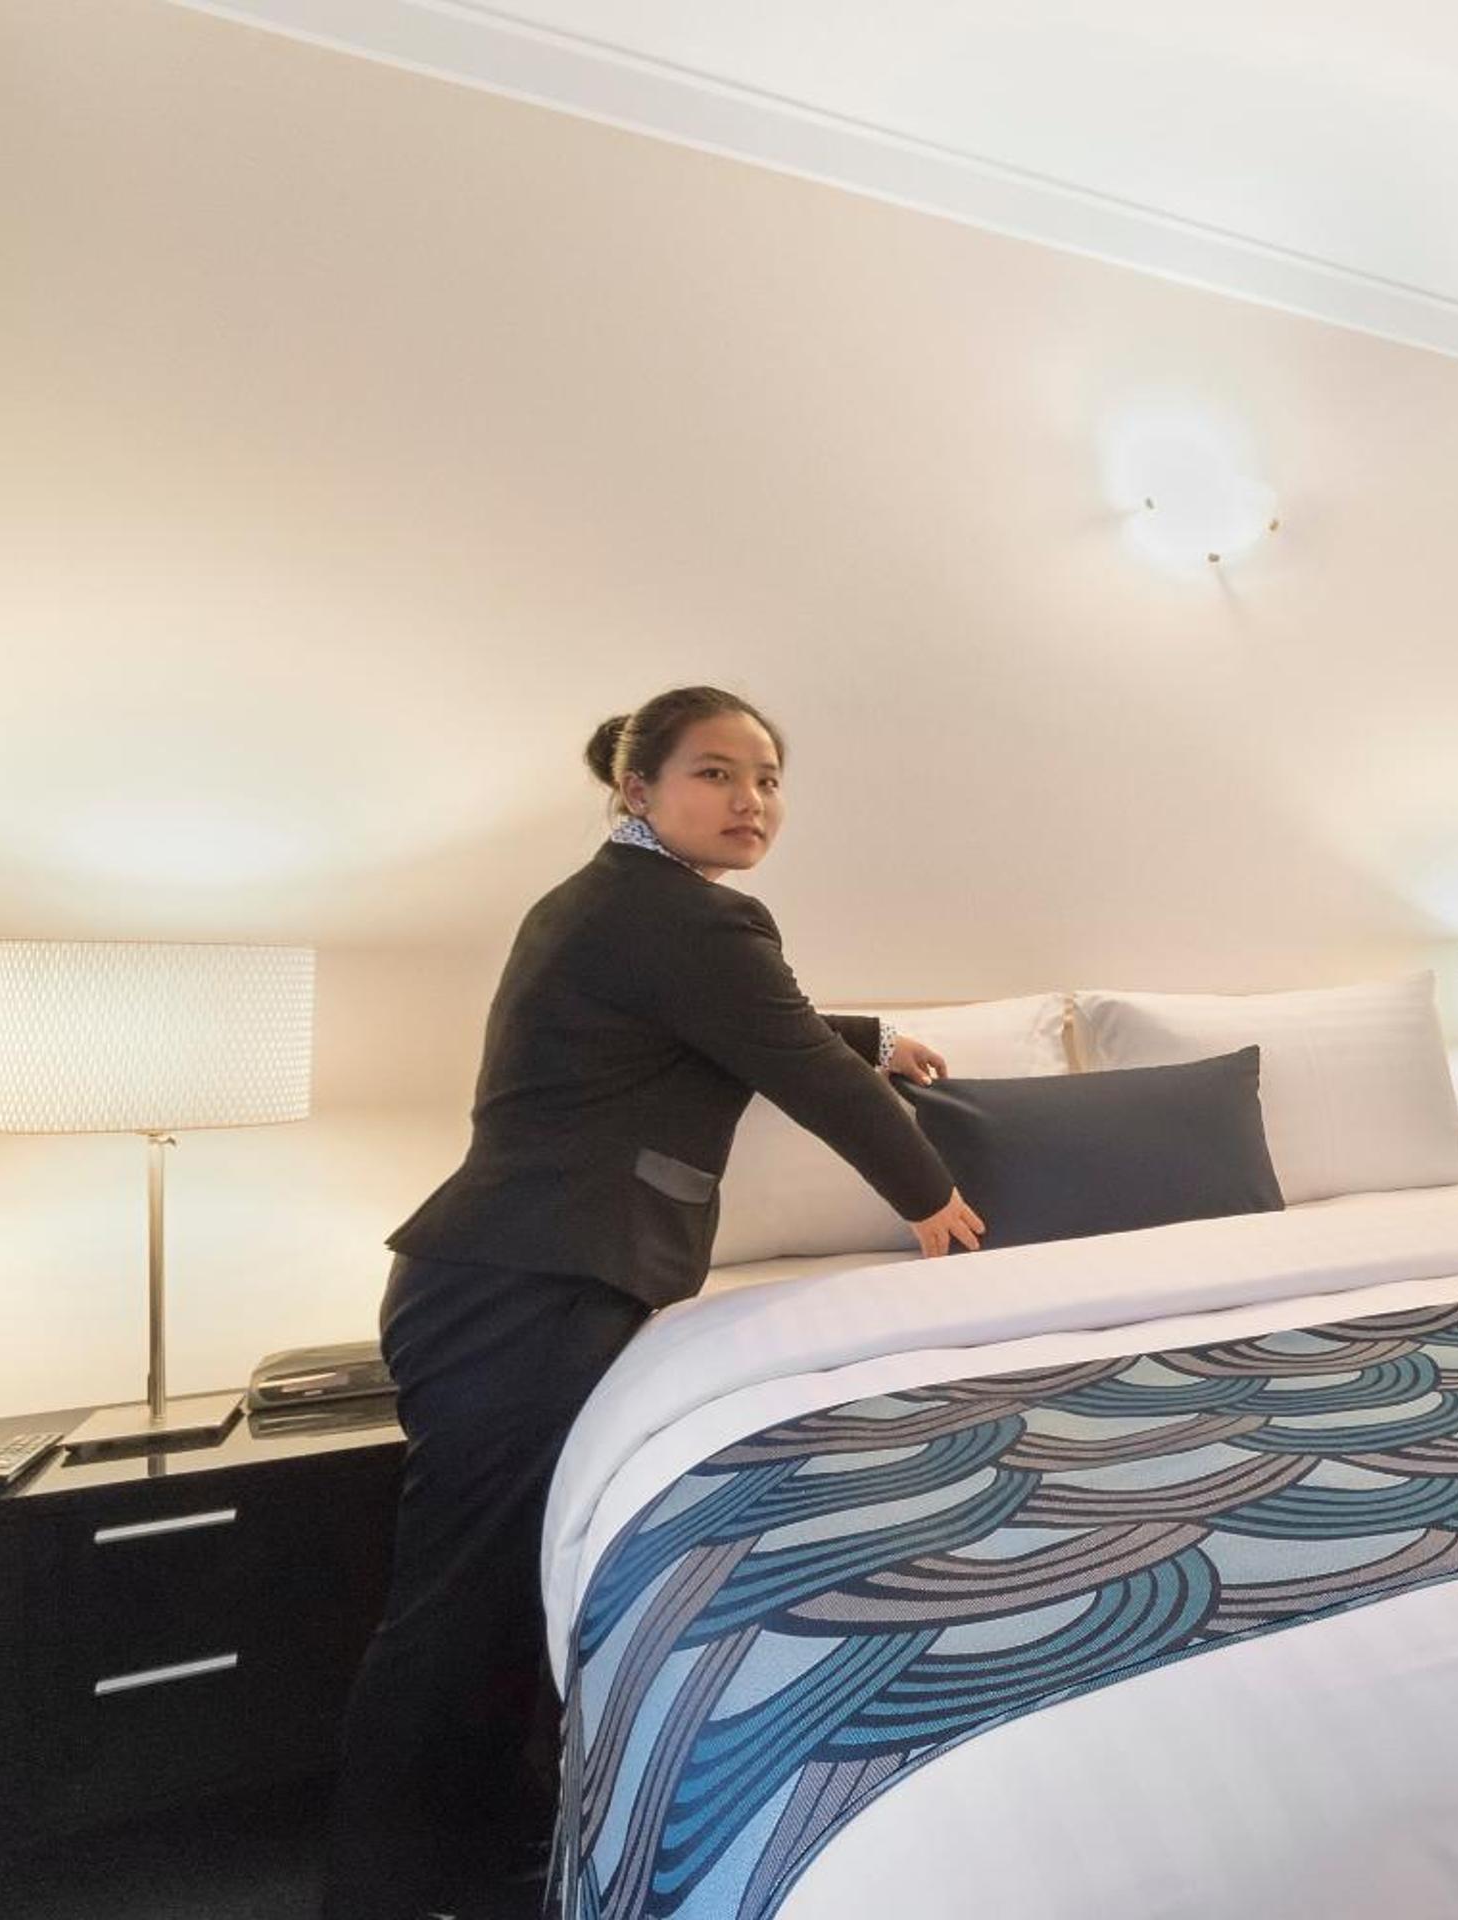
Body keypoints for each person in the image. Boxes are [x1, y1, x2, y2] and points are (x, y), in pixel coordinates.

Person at [324, 687, 987, 1920]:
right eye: (716, 774)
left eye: (768, 780)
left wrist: (878, 1033)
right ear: (639, 788)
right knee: (458, 1605)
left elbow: (744, 1020)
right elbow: (794, 1061)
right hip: (524, 1289)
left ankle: (470, 1856)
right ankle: (389, 1889)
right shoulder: (687, 917)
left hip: (504, 1279)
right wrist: (934, 1200)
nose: (752, 802)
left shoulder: (619, 903)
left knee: (488, 1592)